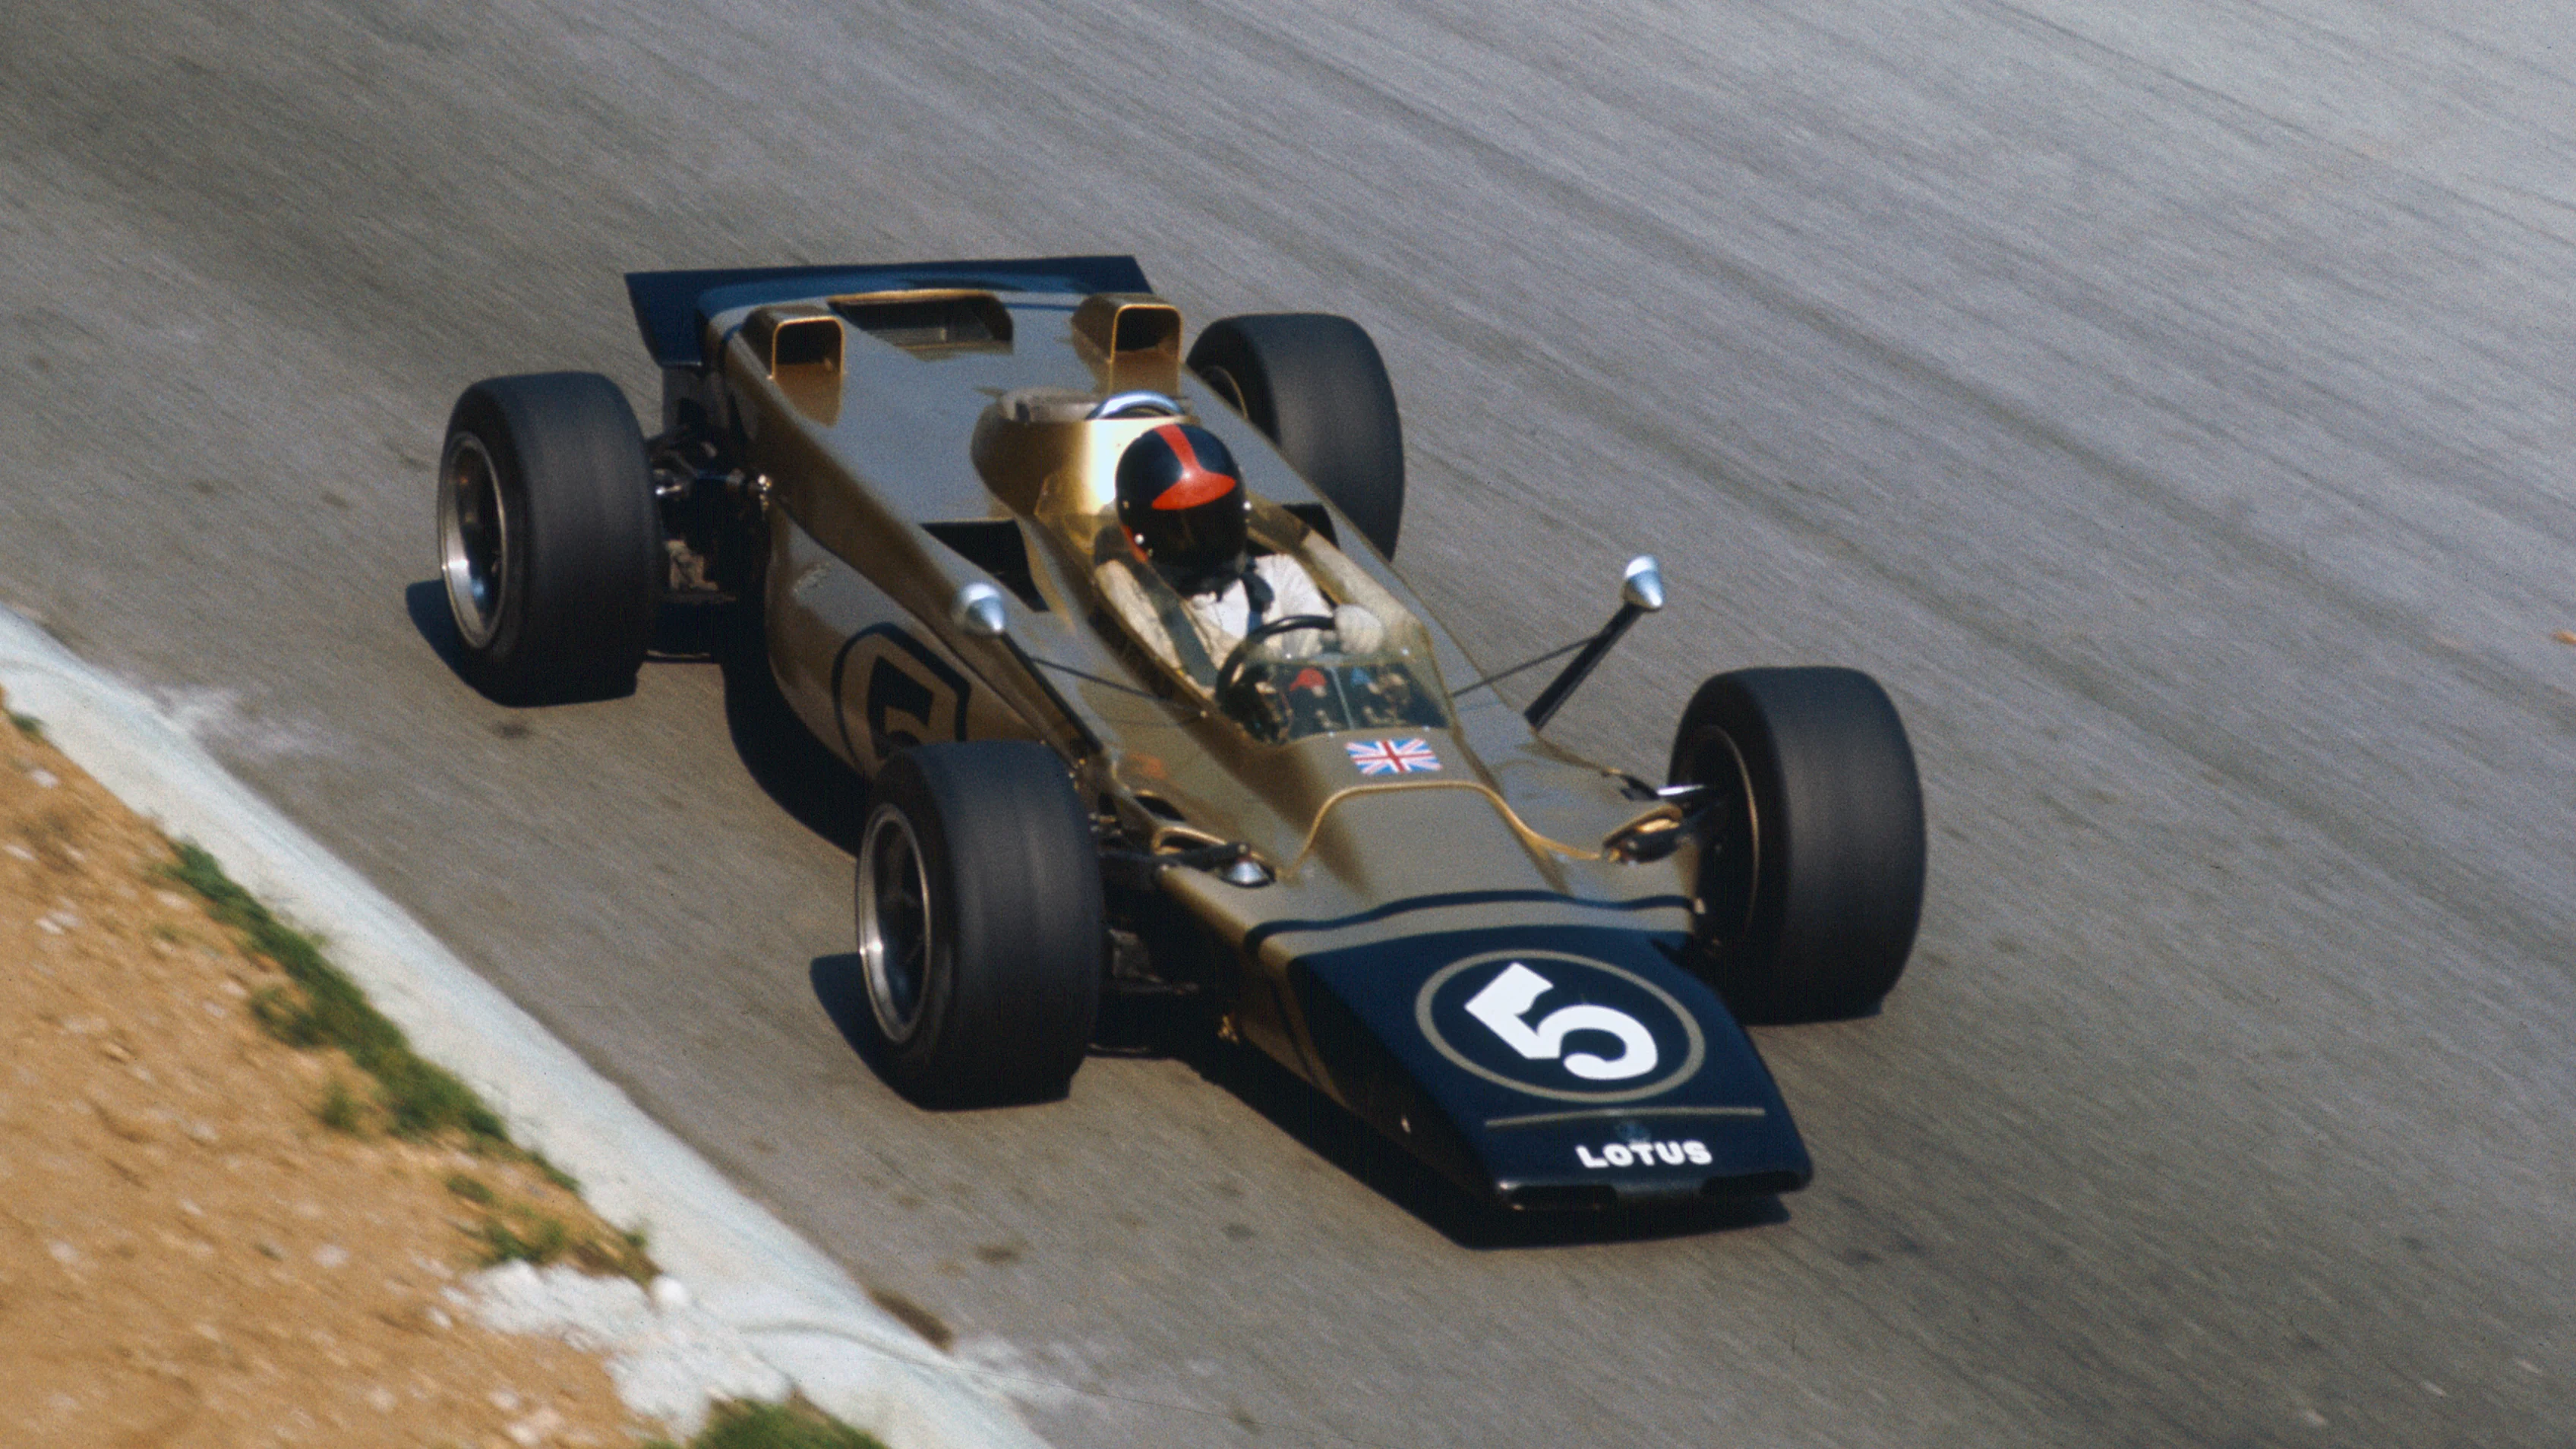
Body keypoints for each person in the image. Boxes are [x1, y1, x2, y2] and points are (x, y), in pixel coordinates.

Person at [1113, 422, 1383, 661]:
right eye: (1182, 531)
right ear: (1136, 540)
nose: (1208, 541)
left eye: (1218, 521)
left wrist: (1351, 629)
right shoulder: (1135, 601)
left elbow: (1310, 637)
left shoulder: (1279, 575)